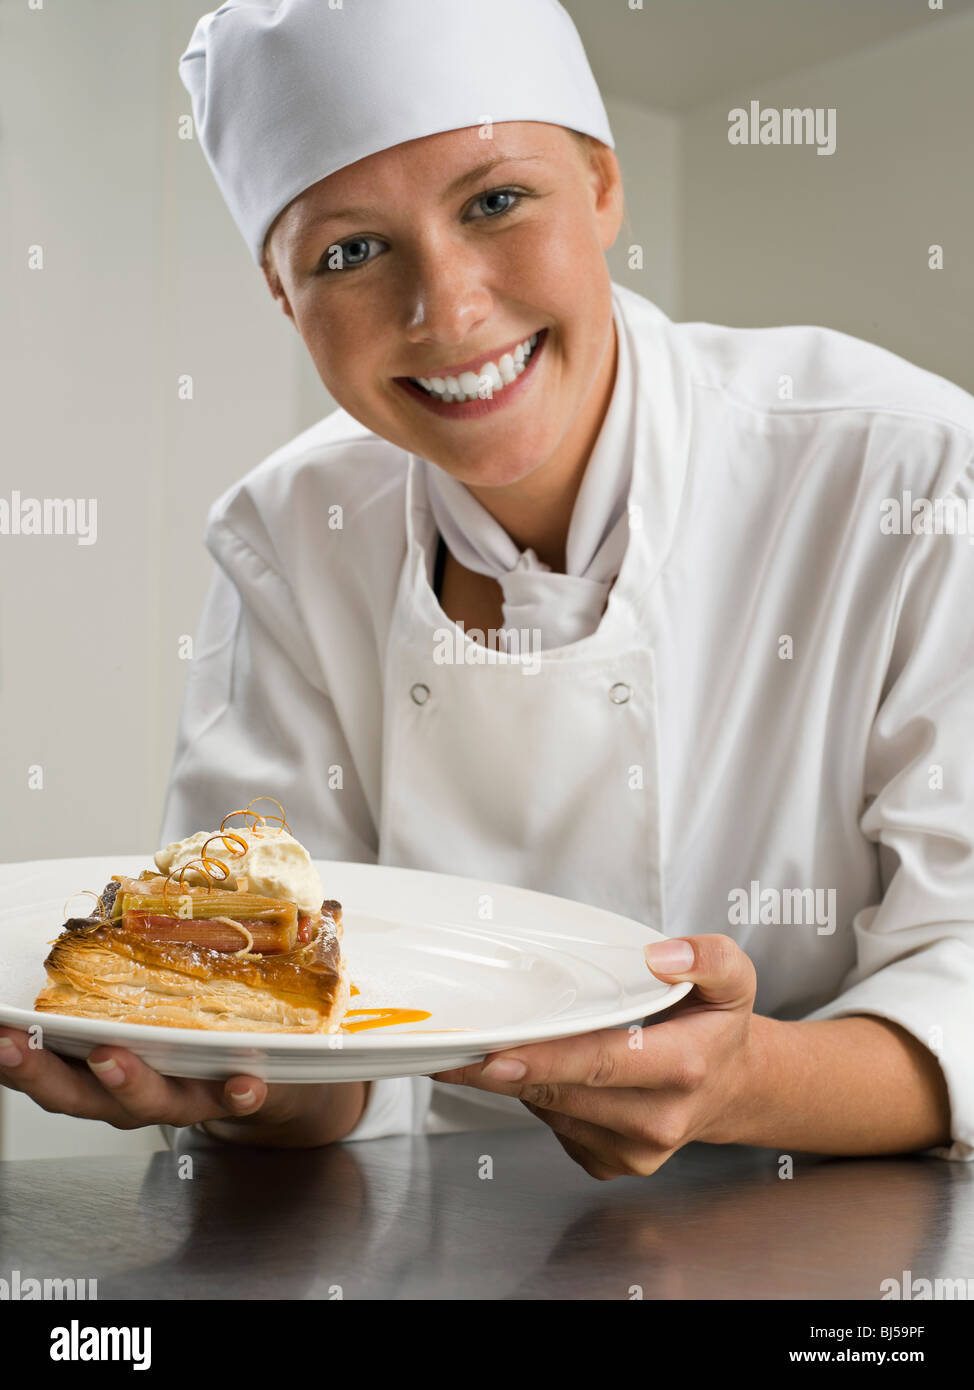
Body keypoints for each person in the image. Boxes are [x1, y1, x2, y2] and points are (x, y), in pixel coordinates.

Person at [2, 0, 972, 1179]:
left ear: (603, 186)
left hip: (817, 1239)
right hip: (418, 1241)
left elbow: (961, 977)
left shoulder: (905, 469)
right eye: (348, 252)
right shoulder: (285, 533)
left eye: (494, 201)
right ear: (281, 293)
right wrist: (225, 1081)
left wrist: (743, 1081)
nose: (446, 309)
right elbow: (297, 1031)